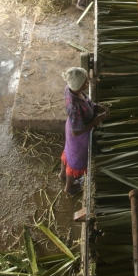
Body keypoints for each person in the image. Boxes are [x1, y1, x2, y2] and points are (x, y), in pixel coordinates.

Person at [59, 67, 109, 196]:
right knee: (75, 161)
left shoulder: (71, 89)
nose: (88, 83)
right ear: (78, 85)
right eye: (85, 82)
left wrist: (96, 107)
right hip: (78, 136)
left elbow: (86, 102)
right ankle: (69, 187)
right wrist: (97, 120)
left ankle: (62, 174)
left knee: (68, 153)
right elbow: (77, 132)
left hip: (71, 126)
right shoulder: (74, 107)